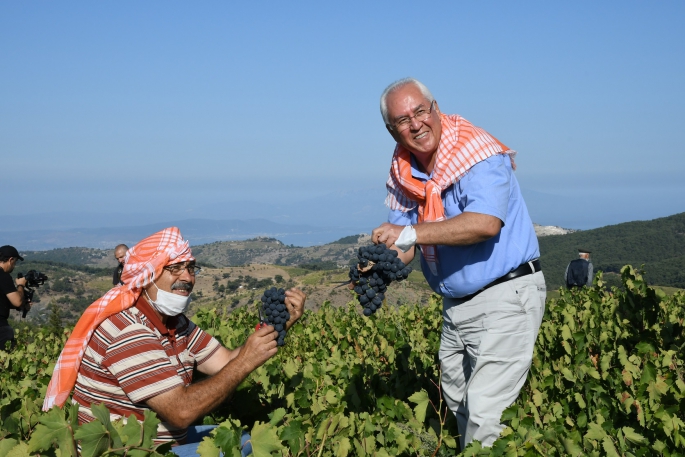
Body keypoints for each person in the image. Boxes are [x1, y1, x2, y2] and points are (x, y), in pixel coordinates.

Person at [371, 78, 545, 449]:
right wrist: (379, 265)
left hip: (504, 296)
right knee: (459, 407)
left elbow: (485, 223)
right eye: (403, 120)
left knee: (485, 413)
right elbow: (405, 245)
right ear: (392, 131)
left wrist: (412, 234)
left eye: (420, 111)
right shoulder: (406, 171)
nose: (416, 123)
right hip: (456, 308)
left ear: (436, 108)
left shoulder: (476, 152)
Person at [43, 227, 306, 456]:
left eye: (191, 268)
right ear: (148, 275)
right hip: (123, 452)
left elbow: (225, 361)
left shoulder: (175, 323)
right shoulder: (128, 330)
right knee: (241, 448)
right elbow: (182, 412)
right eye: (175, 268)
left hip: (156, 445)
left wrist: (278, 325)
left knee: (245, 440)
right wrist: (246, 361)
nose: (188, 277)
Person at [0, 245, 30, 351]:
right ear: (10, 260)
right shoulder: (3, 276)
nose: (14, 266)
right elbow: (17, 301)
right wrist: (20, 285)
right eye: (15, 262)